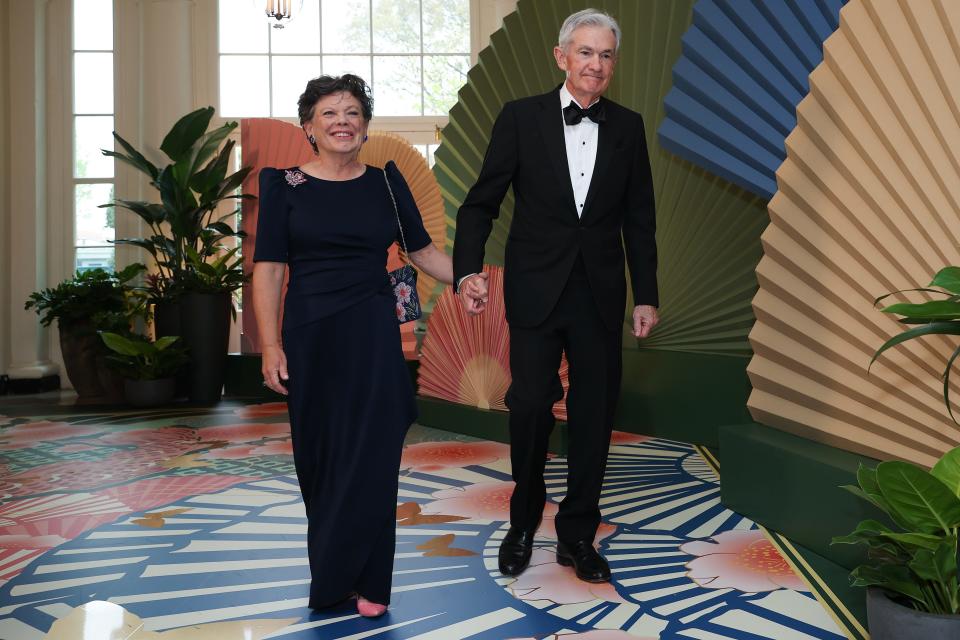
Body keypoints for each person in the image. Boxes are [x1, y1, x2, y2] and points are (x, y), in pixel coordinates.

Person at [453, 9, 659, 584]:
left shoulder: (629, 126)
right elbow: (480, 203)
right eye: (586, 52)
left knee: (594, 419)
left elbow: (639, 221)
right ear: (561, 55)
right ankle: (522, 525)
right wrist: (468, 270)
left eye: (607, 55)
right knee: (528, 410)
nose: (596, 64)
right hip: (535, 292)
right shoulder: (520, 118)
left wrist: (646, 295)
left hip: (599, 295)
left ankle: (577, 537)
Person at [252, 74, 453, 617]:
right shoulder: (284, 185)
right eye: (329, 114)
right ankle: (334, 573)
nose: (342, 122)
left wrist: (471, 278)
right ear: (309, 128)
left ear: (365, 126)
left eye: (352, 113)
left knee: (374, 454)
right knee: (319, 456)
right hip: (310, 335)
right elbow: (269, 271)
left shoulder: (386, 183)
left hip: (372, 335)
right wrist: (270, 345)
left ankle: (370, 581)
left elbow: (423, 252)